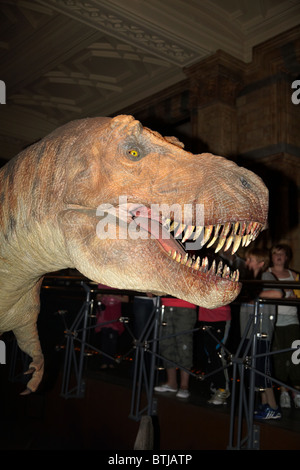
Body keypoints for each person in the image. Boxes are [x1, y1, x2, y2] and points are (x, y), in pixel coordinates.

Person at [240, 247, 283, 420]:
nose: (246, 263)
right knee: (256, 369)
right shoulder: (251, 279)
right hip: (249, 331)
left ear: (261, 263)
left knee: (263, 369)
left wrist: (254, 295)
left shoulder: (265, 277)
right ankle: (265, 404)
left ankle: (273, 407)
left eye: (250, 260)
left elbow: (278, 293)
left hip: (261, 331)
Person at [269, 244, 300, 408]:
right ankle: (283, 392)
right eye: (276, 254)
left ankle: (296, 391)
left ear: (287, 257)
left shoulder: (293, 275)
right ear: (272, 257)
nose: (279, 257)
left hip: (291, 320)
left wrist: (291, 295)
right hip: (274, 321)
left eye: (282, 254)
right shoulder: (267, 274)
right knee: (279, 359)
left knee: (296, 355)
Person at [154, 297, 197, 399]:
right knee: (166, 344)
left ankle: (184, 386)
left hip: (186, 305)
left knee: (184, 345)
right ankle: (172, 382)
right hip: (166, 304)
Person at [198, 305, 231, 405]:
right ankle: (216, 388)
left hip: (220, 316)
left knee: (218, 353)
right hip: (205, 316)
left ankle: (223, 389)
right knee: (209, 354)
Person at [95, 284, 128, 369]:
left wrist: (113, 295)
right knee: (105, 339)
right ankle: (105, 361)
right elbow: (97, 297)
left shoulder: (121, 282)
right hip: (104, 315)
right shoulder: (102, 282)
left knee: (113, 339)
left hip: (115, 315)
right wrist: (104, 295)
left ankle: (111, 361)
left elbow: (126, 299)